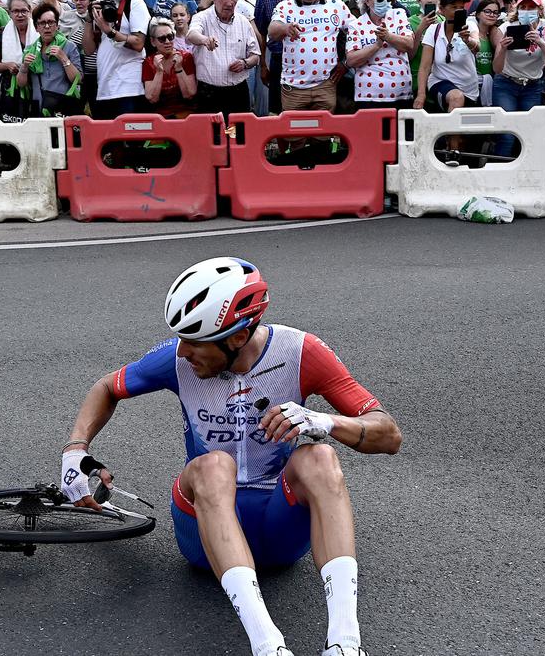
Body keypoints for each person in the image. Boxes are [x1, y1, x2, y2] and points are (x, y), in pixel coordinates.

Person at [60, 256, 399, 656]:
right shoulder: (175, 359)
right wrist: (75, 450)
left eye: (194, 340)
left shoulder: (299, 351)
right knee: (213, 464)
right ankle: (267, 646)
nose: (183, 351)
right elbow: (107, 387)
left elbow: (388, 434)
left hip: (280, 530)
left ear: (237, 337)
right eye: (181, 337)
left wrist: (322, 421)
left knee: (320, 457)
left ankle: (345, 643)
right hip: (204, 534)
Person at [268, 0, 352, 113]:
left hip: (325, 85)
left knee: (322, 134)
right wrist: (286, 28)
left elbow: (358, 32)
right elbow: (272, 31)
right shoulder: (284, 7)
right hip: (293, 87)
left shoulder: (337, 5)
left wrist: (346, 63)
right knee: (294, 135)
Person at [187, 0, 260, 117]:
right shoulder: (201, 17)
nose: (229, 2)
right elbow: (191, 34)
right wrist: (205, 40)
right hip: (209, 93)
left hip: (237, 92)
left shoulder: (243, 22)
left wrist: (245, 63)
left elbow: (255, 55)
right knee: (211, 137)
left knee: (237, 135)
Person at [85, 0, 148, 119]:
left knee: (130, 139)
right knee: (109, 142)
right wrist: (88, 18)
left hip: (130, 86)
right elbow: (88, 49)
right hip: (105, 86)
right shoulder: (100, 4)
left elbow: (139, 43)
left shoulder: (134, 1)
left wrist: (109, 30)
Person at [346, 0, 415, 109]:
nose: (385, 1)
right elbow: (352, 60)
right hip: (368, 96)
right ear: (367, 0)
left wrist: (388, 36)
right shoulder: (356, 25)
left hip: (401, 94)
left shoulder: (399, 14)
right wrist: (377, 45)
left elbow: (409, 44)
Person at [490, 0, 545, 112]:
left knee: (529, 127)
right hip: (506, 83)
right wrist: (503, 49)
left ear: (539, 10)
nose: (527, 11)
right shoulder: (507, 27)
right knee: (506, 128)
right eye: (523, 7)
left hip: (532, 85)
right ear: (518, 10)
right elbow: (497, 68)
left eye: (531, 7)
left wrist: (540, 42)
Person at [414, 0, 481, 112]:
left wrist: (467, 40)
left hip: (469, 89)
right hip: (441, 82)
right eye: (454, 7)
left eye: (461, 7)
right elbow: (424, 67)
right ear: (442, 10)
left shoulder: (470, 26)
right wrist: (421, 94)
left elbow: (477, 47)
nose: (458, 11)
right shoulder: (433, 30)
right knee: (456, 98)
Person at [17, 1, 82, 116]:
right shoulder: (30, 50)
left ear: (57, 26)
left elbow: (78, 79)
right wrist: (25, 66)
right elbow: (21, 84)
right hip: (38, 107)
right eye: (42, 23)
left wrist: (64, 58)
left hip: (62, 107)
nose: (47, 27)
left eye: (51, 22)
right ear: (36, 27)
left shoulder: (69, 46)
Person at [142, 16, 197, 118]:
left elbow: (189, 94)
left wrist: (179, 69)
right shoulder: (149, 62)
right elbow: (152, 98)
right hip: (160, 117)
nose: (167, 41)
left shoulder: (185, 57)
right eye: (162, 39)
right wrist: (159, 72)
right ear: (153, 41)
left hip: (186, 114)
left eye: (170, 37)